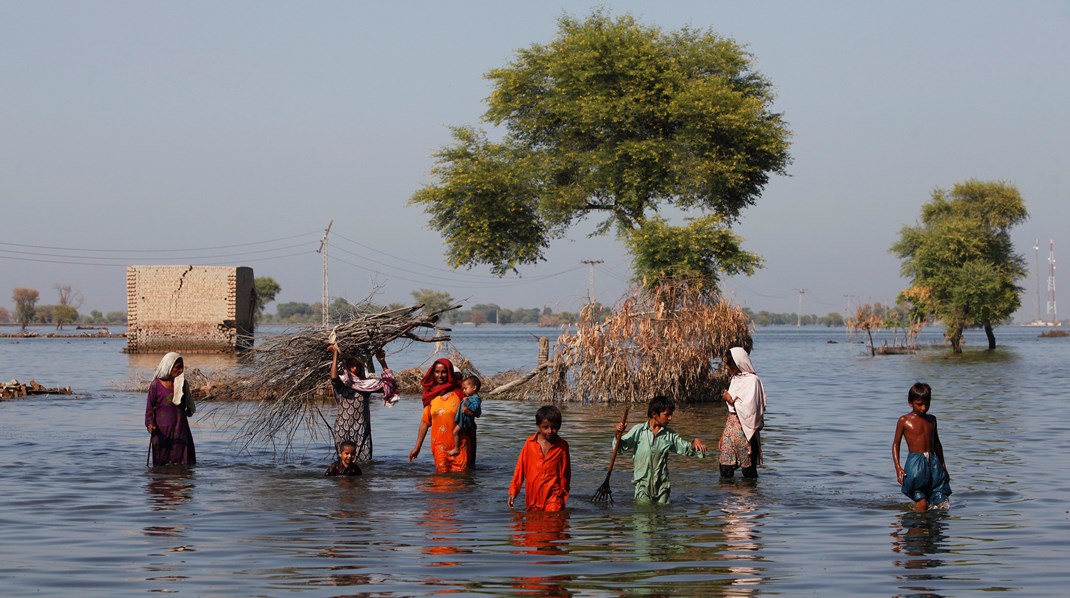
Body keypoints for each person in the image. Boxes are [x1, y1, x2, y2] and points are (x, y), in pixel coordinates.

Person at [615, 395, 707, 504]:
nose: (670, 418)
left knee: (662, 517)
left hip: (662, 488)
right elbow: (620, 447)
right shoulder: (639, 431)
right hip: (643, 487)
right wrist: (618, 434)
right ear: (654, 414)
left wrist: (695, 442)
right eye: (667, 415)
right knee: (642, 516)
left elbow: (685, 448)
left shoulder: (669, 434)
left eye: (671, 415)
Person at [328, 344, 398, 462]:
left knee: (364, 461)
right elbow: (333, 377)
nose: (355, 369)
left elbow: (390, 385)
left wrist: (382, 362)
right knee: (344, 461)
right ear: (347, 366)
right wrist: (335, 354)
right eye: (352, 365)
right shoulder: (343, 383)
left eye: (358, 366)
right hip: (343, 428)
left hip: (362, 428)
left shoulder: (366, 385)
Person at [893, 382, 951, 512]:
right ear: (910, 403)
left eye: (927, 404)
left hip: (933, 461)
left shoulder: (932, 420)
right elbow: (896, 444)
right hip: (915, 462)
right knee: (921, 500)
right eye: (919, 404)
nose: (924, 408)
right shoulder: (904, 420)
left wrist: (943, 465)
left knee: (941, 500)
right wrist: (898, 468)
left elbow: (937, 443)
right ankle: (919, 526)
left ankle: (935, 528)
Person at [409, 358, 474, 472]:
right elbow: (425, 422)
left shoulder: (459, 394)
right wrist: (417, 447)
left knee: (461, 482)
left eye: (443, 372)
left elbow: (472, 419)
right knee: (441, 481)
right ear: (433, 373)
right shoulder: (431, 396)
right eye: (437, 372)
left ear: (449, 373)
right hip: (439, 446)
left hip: (460, 445)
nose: (440, 375)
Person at [509, 405, 571, 511]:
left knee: (553, 521)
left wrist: (564, 493)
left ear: (559, 426)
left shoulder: (562, 446)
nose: (550, 431)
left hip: (554, 494)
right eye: (545, 427)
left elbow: (566, 472)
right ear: (538, 426)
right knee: (533, 523)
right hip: (533, 494)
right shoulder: (530, 443)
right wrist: (513, 491)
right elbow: (520, 468)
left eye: (554, 427)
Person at [718, 346, 767, 479]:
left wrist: (731, 400)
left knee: (748, 473)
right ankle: (727, 498)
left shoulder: (753, 381)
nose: (727, 367)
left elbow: (752, 409)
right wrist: (724, 434)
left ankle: (750, 499)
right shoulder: (735, 379)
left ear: (737, 364)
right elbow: (731, 412)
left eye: (729, 364)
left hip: (747, 433)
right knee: (725, 469)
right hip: (731, 430)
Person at [145, 352, 196, 466]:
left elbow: (188, 408)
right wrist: (150, 425)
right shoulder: (155, 385)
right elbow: (149, 409)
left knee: (184, 467)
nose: (181, 371)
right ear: (168, 367)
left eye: (182, 368)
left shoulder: (182, 384)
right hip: (162, 433)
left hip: (181, 431)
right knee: (161, 467)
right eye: (178, 368)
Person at [448, 375, 483, 457]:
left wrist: (466, 402)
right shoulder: (470, 397)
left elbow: (475, 408)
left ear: (474, 388)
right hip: (463, 420)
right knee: (456, 432)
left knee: (455, 432)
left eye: (465, 388)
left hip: (465, 421)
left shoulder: (475, 399)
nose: (463, 391)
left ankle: (456, 448)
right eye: (463, 389)